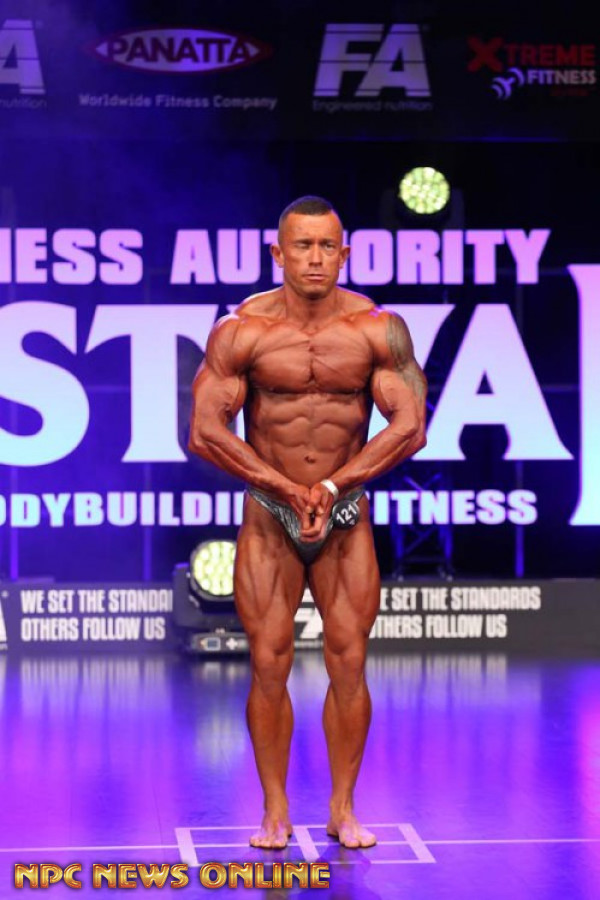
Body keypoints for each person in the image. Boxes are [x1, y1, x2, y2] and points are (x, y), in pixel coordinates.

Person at [188, 196, 427, 849]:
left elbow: (410, 426)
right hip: (271, 515)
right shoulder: (242, 330)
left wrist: (330, 486)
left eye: (327, 247)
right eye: (302, 246)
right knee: (268, 664)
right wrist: (285, 488)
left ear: (344, 254)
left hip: (343, 513)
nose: (315, 258)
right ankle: (274, 811)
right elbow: (204, 430)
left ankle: (343, 809)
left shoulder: (377, 329)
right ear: (278, 253)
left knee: (349, 663)